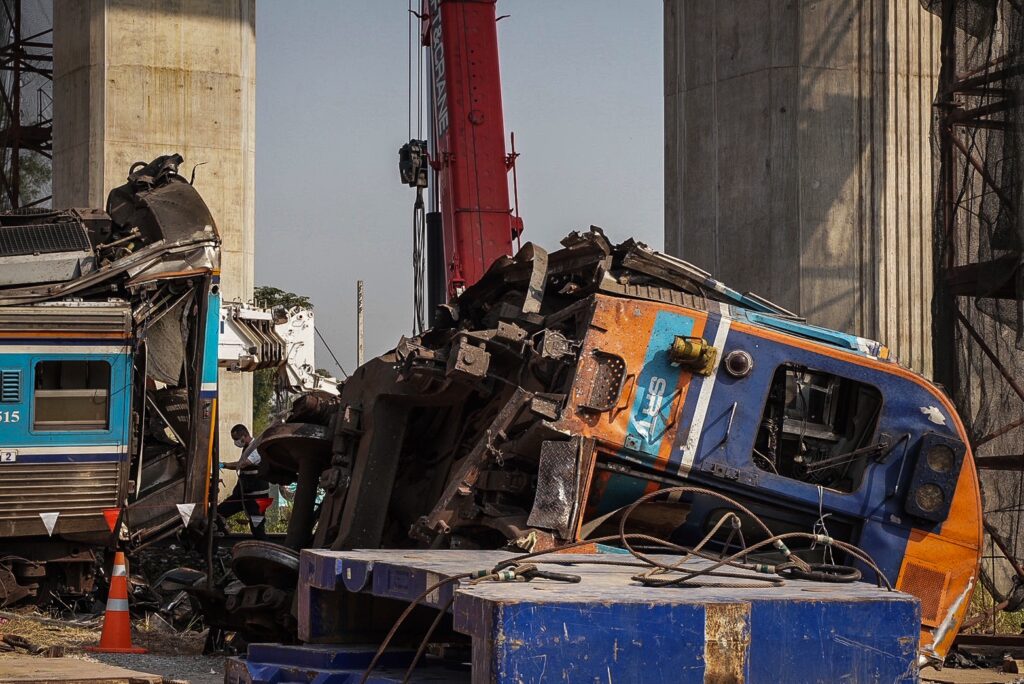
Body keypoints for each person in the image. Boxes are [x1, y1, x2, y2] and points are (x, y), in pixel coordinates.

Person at [218, 424, 271, 539]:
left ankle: (263, 547)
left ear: (244, 436)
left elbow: (242, 464)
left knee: (257, 528)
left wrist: (224, 465)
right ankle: (222, 534)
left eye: (236, 439)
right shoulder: (247, 448)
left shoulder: (256, 448)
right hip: (243, 495)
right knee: (218, 512)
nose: (235, 442)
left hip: (257, 498)